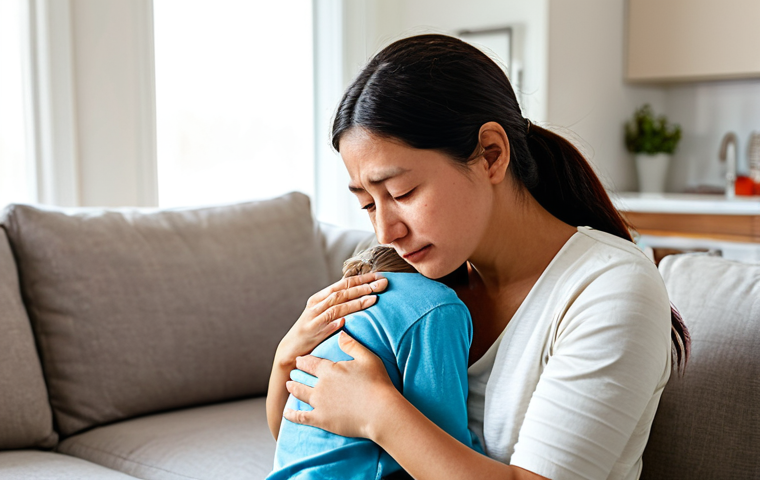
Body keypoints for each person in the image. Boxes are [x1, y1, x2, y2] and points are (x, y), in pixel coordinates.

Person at [267, 34, 690, 480]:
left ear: (491, 154)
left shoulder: (609, 288)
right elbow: (311, 446)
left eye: (402, 193)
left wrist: (377, 413)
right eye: (369, 204)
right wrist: (286, 359)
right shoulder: (408, 275)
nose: (386, 232)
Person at [267, 246, 481, 480]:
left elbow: (287, 437)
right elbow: (447, 453)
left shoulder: (345, 309)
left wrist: (283, 360)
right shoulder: (439, 306)